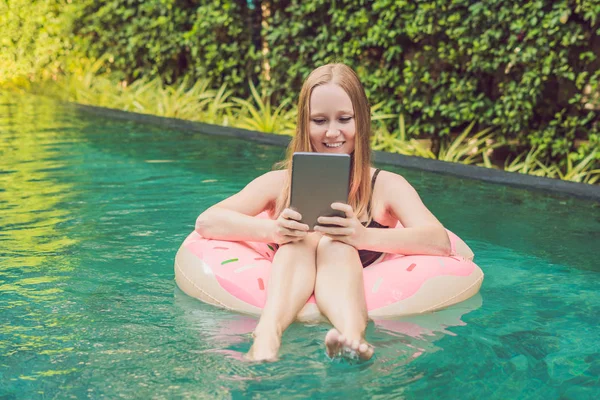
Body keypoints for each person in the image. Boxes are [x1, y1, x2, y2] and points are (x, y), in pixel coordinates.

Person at [195, 63, 461, 362]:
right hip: (292, 267)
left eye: (344, 119)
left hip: (348, 271)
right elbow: (208, 221)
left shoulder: (385, 186)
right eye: (319, 120)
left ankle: (351, 337)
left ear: (361, 121)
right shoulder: (280, 184)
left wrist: (361, 236)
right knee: (303, 239)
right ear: (304, 125)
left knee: (336, 243)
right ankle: (267, 333)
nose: (332, 132)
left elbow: (439, 241)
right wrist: (274, 232)